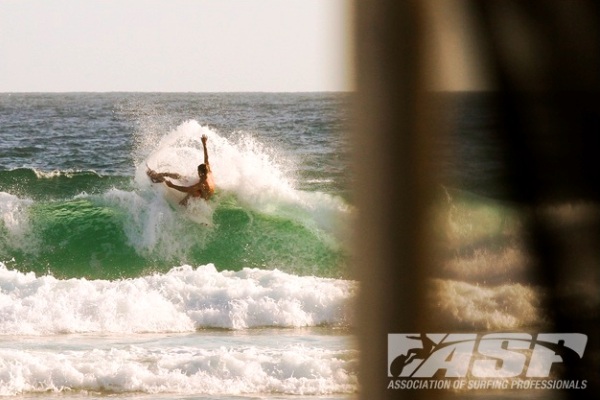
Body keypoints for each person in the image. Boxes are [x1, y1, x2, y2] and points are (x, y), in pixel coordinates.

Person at [146, 134, 215, 205]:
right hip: (205, 191)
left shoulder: (202, 184)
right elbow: (206, 157)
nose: (197, 173)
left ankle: (182, 204)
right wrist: (204, 143)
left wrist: (172, 186)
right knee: (181, 177)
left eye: (198, 172)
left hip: (202, 199)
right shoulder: (208, 170)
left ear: (201, 173)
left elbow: (187, 189)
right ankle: (161, 175)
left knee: (193, 192)